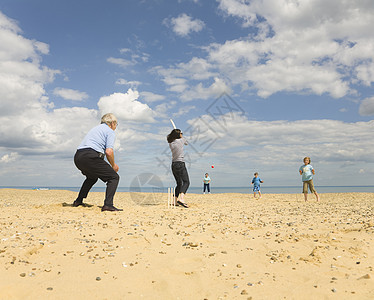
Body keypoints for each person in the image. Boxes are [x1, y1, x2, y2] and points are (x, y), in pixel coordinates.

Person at [73, 113, 122, 211]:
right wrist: (113, 165)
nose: (116, 126)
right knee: (114, 177)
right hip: (90, 157)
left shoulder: (95, 129)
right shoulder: (110, 131)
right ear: (112, 123)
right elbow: (109, 151)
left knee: (92, 177)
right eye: (116, 124)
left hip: (78, 157)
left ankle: (78, 200)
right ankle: (108, 204)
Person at [167, 129, 189, 208]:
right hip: (180, 163)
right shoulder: (180, 141)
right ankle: (182, 199)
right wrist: (182, 136)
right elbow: (187, 142)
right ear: (178, 135)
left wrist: (179, 134)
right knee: (186, 182)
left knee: (179, 184)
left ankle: (175, 201)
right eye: (180, 133)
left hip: (173, 164)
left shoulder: (171, 143)